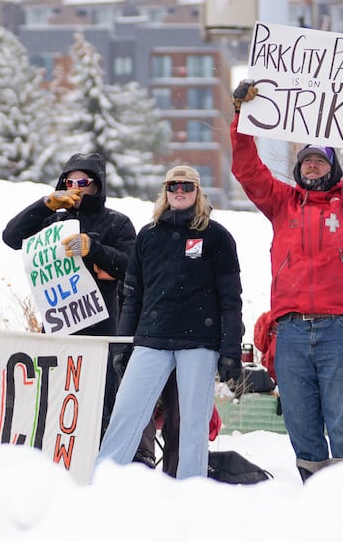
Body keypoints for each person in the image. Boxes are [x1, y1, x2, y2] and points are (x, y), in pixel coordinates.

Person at [231, 73, 343, 481]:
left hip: (338, 329)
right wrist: (241, 115)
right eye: (307, 160)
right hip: (289, 332)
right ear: (298, 168)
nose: (312, 164)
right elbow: (247, 168)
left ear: (333, 168)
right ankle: (314, 488)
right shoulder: (281, 203)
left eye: (321, 160)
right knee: (300, 419)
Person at [94, 165, 243, 480]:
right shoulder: (148, 236)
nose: (180, 191)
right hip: (152, 339)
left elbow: (230, 299)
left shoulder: (217, 236)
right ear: (165, 191)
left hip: (199, 343)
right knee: (127, 412)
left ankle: (191, 487)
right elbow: (132, 297)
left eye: (187, 186)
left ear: (197, 192)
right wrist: (123, 345)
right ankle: (104, 479)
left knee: (192, 422)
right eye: (173, 185)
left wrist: (230, 350)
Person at [2, 153, 135, 428]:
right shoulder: (53, 221)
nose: (75, 187)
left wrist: (95, 249)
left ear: (97, 185)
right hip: (57, 329)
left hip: (99, 333)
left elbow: (133, 267)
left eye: (83, 181)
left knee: (98, 409)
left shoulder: (117, 222)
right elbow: (11, 237)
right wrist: (45, 205)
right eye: (69, 182)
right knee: (51, 406)